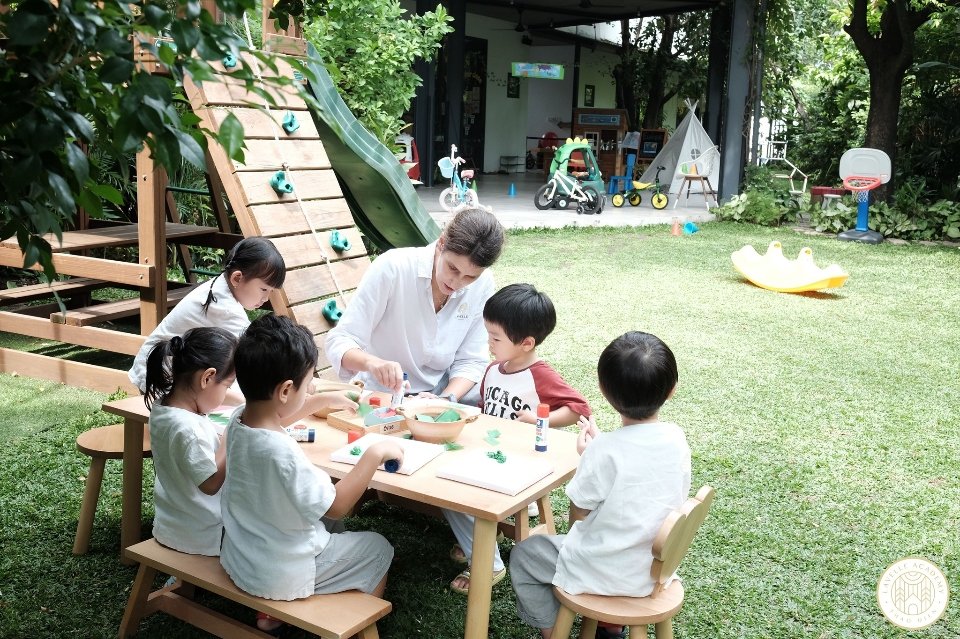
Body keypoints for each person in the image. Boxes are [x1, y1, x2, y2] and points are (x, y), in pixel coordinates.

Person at [220, 314, 402, 633]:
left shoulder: (239, 421)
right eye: (308, 385)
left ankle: (271, 615)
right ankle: (352, 625)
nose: (309, 390)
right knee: (378, 547)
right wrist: (374, 454)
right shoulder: (283, 454)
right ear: (285, 390)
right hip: (283, 573)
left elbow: (278, 417)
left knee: (327, 525)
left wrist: (320, 400)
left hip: (243, 556)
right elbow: (337, 505)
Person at [509, 331, 691, 639]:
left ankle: (554, 634)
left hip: (602, 570)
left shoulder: (603, 451)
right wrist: (597, 450)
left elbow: (579, 512)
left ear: (603, 389)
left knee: (525, 555)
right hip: (654, 570)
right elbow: (638, 466)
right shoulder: (676, 438)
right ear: (672, 389)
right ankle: (609, 626)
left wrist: (589, 456)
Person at [445, 283, 593, 595]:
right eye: (488, 335)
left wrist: (541, 418)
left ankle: (487, 560)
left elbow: (579, 409)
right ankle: (484, 535)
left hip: (519, 464)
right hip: (489, 455)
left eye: (496, 338)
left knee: (454, 491)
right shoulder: (492, 370)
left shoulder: (539, 375)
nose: (489, 343)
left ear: (526, 343)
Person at [324, 207, 505, 406]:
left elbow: (471, 360)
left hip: (441, 392)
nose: (457, 282)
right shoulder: (393, 267)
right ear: (441, 243)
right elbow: (340, 340)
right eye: (452, 268)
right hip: (382, 392)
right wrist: (372, 363)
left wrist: (444, 399)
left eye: (470, 277)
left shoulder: (483, 283)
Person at [128, 237, 285, 396]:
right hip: (160, 377)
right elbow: (257, 352)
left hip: (162, 368)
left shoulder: (220, 287)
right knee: (250, 395)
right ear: (237, 278)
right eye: (264, 289)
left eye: (271, 291)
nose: (266, 298)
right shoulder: (224, 308)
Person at [142, 326, 238, 556]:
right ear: (207, 378)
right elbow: (210, 484)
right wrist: (230, 436)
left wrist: (249, 402)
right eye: (227, 385)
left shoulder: (164, 406)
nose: (226, 392)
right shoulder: (189, 429)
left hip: (173, 524)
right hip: (204, 535)